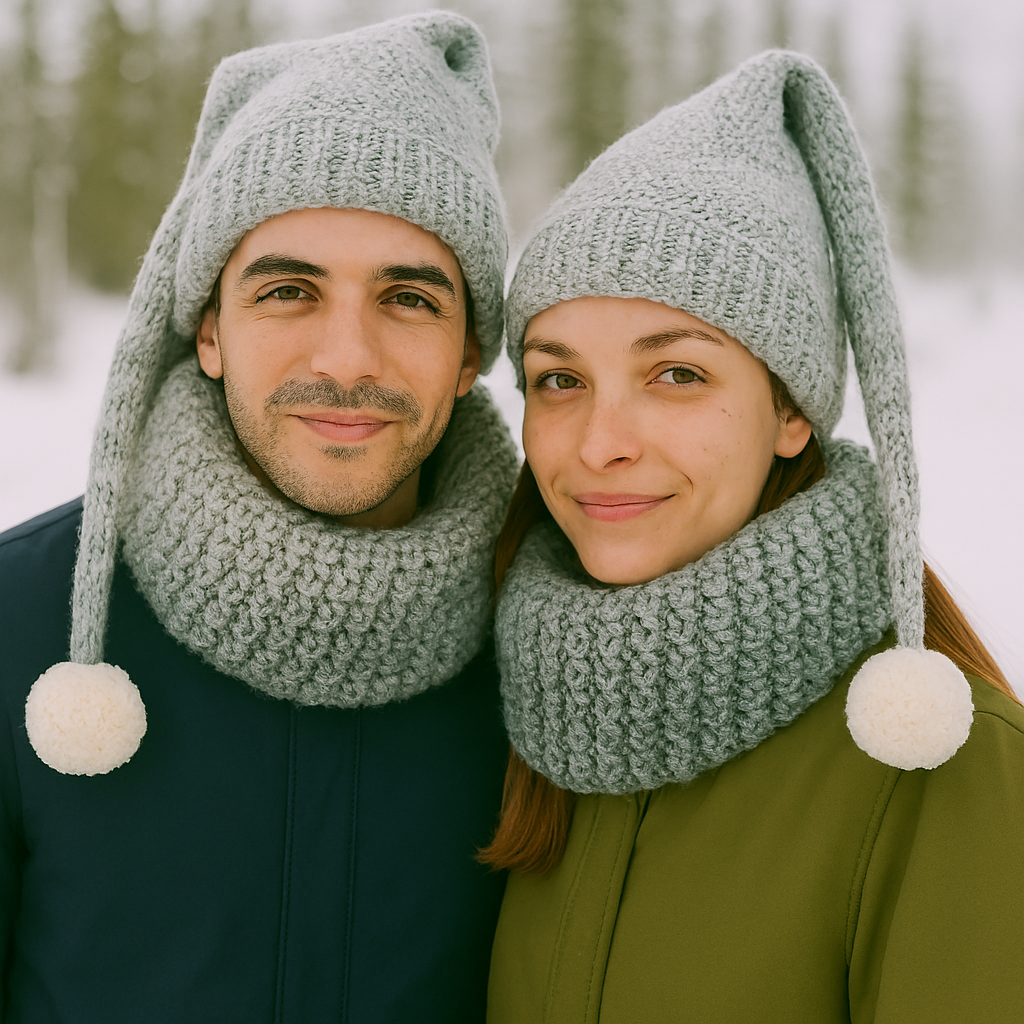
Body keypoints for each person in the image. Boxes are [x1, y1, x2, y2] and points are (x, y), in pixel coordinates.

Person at [482, 51, 1024, 1023]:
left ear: (791, 412)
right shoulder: (531, 722)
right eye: (559, 379)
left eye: (676, 374)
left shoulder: (937, 765)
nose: (600, 443)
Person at [0, 12, 518, 1023]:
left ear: (469, 354)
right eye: (287, 290)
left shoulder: (556, 636)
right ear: (208, 330)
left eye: (409, 299)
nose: (347, 361)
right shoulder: (24, 624)